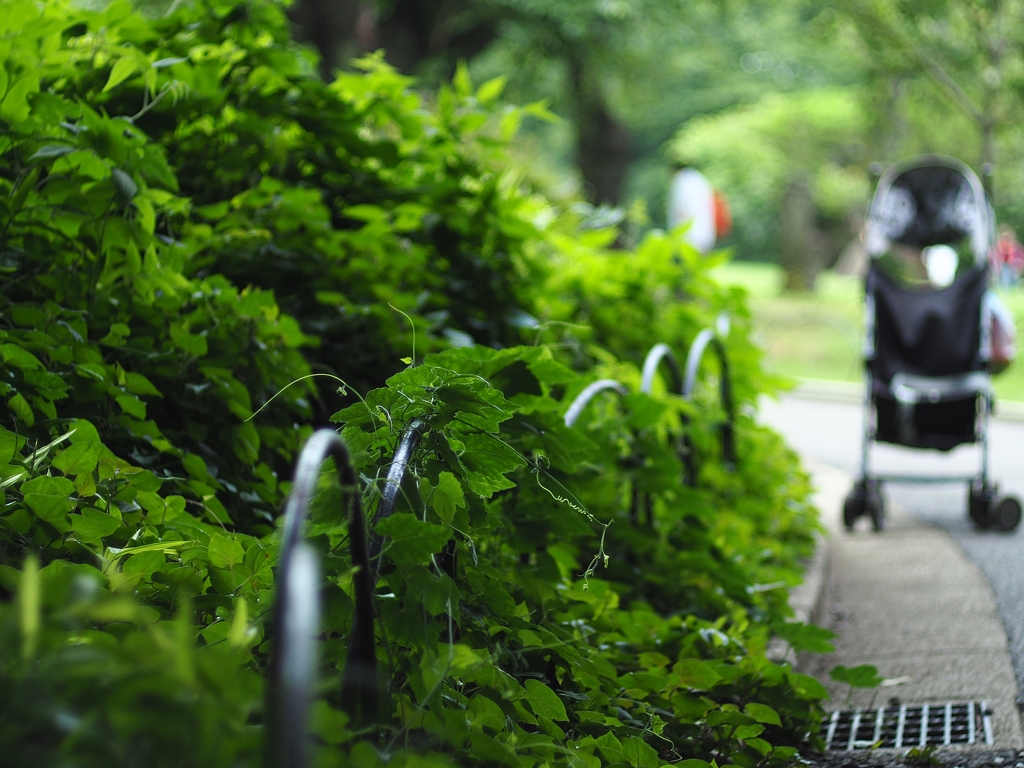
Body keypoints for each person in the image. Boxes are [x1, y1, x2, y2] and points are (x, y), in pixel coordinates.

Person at [666, 162, 718, 253]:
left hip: (688, 234)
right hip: (705, 231)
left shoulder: (681, 180)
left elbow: (681, 208)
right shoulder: (699, 179)